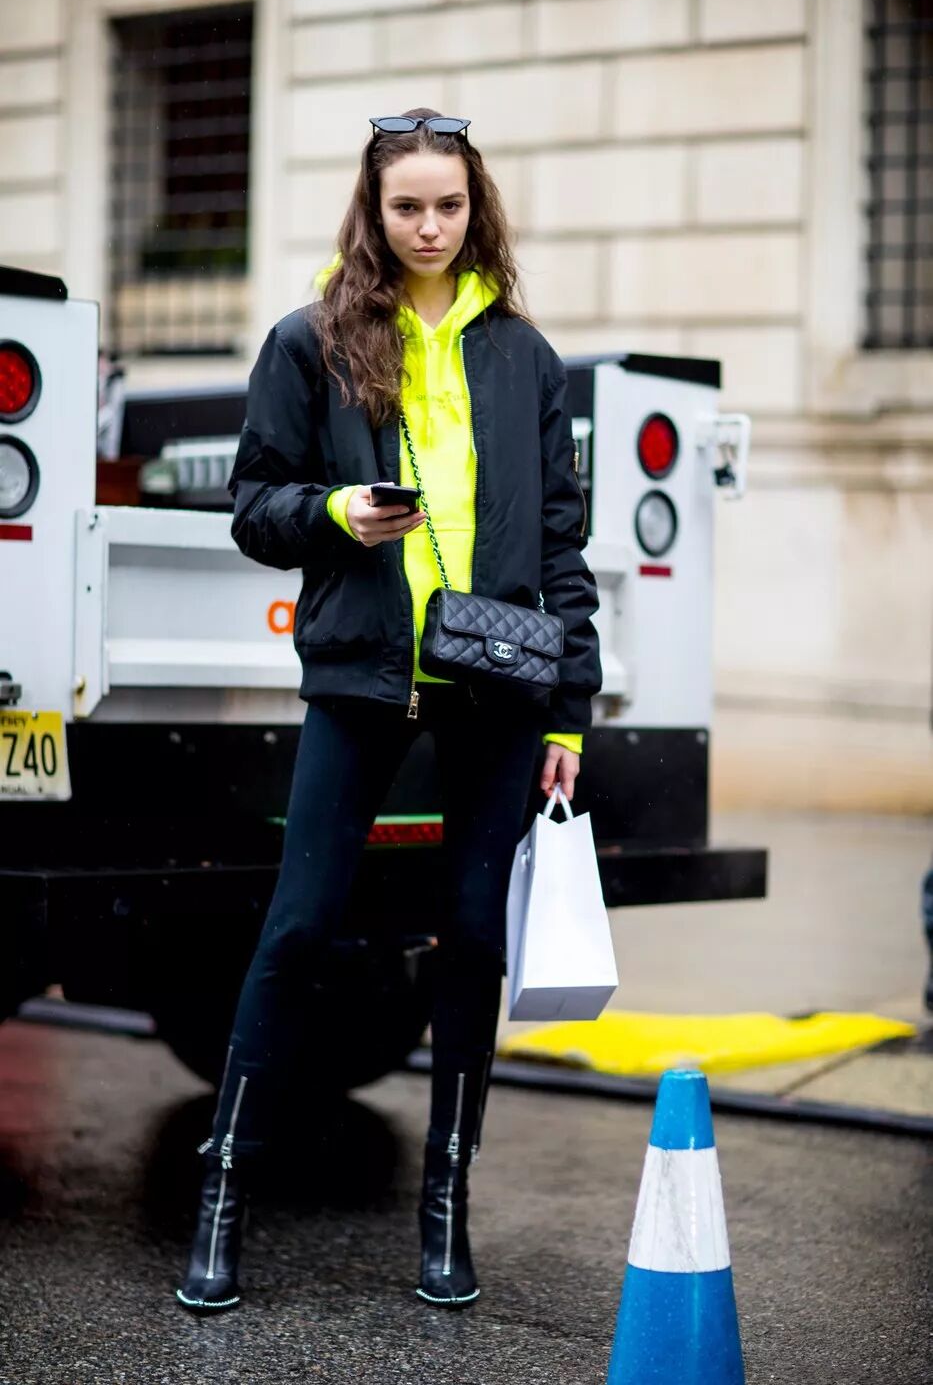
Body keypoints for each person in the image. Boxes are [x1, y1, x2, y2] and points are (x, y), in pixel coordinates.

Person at [175, 107, 601, 1314]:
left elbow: (562, 547)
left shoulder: (524, 356)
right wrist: (334, 513)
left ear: (476, 208)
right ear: (374, 209)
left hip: (498, 684)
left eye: (448, 205)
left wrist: (569, 714)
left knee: (472, 937)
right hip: (363, 673)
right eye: (407, 205)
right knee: (297, 928)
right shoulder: (309, 340)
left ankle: (446, 1204)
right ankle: (222, 1194)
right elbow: (254, 505)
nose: (429, 226)